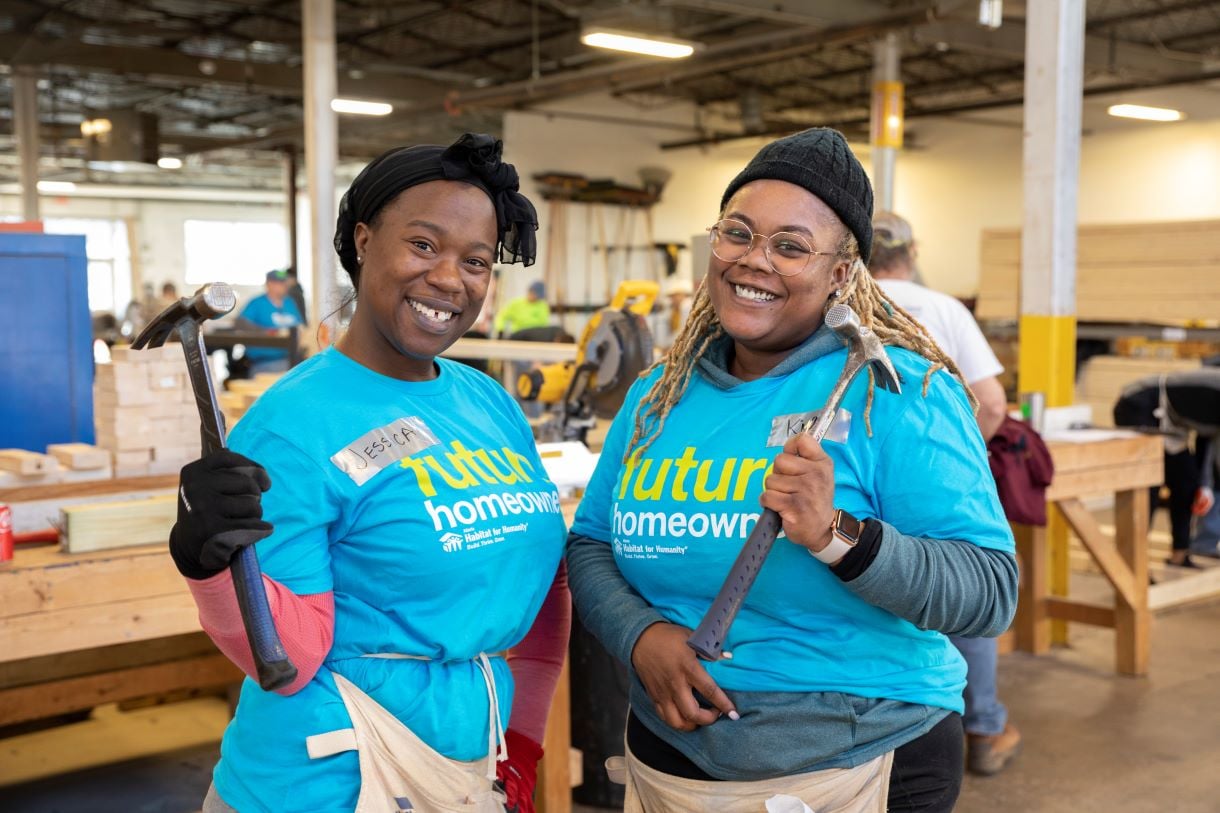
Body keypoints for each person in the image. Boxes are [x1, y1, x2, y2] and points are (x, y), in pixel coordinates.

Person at [566, 127, 1017, 812]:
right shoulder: (658, 395)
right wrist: (642, 636)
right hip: (666, 759)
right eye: (738, 233)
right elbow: (592, 544)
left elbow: (988, 592)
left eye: (790, 246)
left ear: (840, 274)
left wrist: (835, 534)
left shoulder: (899, 396)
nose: (755, 261)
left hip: (854, 760)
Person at [169, 133, 570, 813]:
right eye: (423, 245)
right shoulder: (293, 422)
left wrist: (524, 742)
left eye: (476, 260)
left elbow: (542, 594)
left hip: (470, 767)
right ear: (362, 240)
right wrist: (207, 566)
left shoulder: (489, 404)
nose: (450, 278)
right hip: (321, 781)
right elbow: (285, 657)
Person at [868, 211, 1021, 777]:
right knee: (964, 590)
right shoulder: (945, 309)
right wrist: (946, 463)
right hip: (929, 476)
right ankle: (980, 727)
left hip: (843, 484)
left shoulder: (834, 303)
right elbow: (993, 403)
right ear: (913, 251)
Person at [236, 268, 305, 375]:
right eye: (279, 283)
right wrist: (265, 332)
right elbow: (240, 323)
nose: (284, 286)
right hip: (263, 364)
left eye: (284, 282)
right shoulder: (257, 303)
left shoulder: (289, 302)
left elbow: (299, 326)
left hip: (290, 361)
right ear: (269, 284)